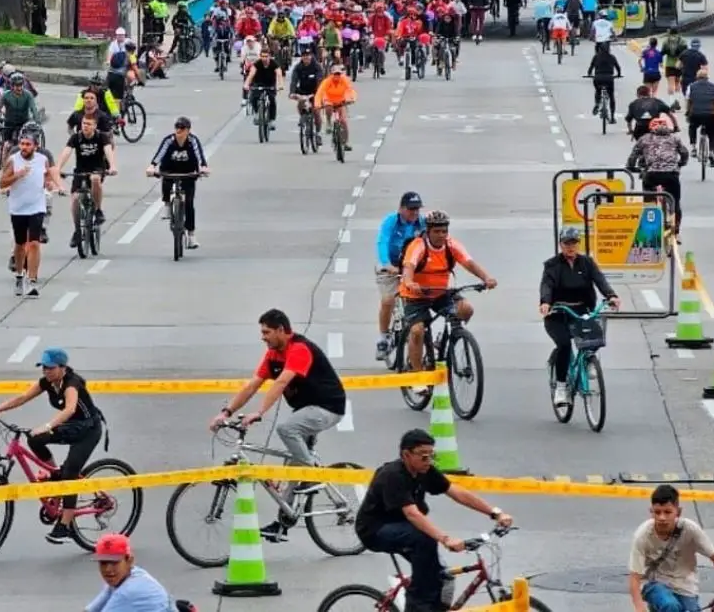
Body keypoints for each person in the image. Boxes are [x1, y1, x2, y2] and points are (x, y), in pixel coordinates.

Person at [209, 308, 348, 542]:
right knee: (292, 464)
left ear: (281, 330)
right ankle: (283, 523)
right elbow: (253, 385)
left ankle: (311, 475)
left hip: (327, 407)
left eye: (266, 332)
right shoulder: (273, 354)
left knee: (287, 429)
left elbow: (282, 381)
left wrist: (259, 413)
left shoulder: (299, 349)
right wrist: (226, 412)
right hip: (305, 409)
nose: (262, 337)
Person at [356, 429, 514, 612]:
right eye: (424, 456)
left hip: (404, 528)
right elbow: (412, 514)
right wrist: (446, 539)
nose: (428, 461)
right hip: (375, 530)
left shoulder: (424, 470)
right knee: (423, 541)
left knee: (441, 575)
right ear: (406, 454)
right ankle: (418, 607)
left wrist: (495, 513)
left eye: (432, 456)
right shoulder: (392, 475)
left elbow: (456, 492)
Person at [0, 347, 106, 543]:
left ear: (62, 367)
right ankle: (55, 471)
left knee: (70, 474)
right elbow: (22, 398)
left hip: (88, 430)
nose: (45, 371)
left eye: (50, 367)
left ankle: (65, 525)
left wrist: (47, 426)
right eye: (43, 367)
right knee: (34, 439)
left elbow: (69, 409)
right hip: (71, 427)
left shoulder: (71, 384)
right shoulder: (46, 383)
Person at [399, 210, 498, 394]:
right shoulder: (418, 245)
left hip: (440, 293)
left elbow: (469, 263)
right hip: (416, 295)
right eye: (437, 231)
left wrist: (486, 278)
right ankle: (417, 375)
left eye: (444, 231)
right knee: (417, 330)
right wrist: (410, 282)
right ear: (428, 231)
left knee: (466, 309)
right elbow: (409, 267)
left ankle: (440, 341)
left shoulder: (451, 245)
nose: (441, 235)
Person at [629, 485, 714, 612]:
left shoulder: (690, 529)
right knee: (670, 606)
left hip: (685, 585)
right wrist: (639, 607)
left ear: (678, 512)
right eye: (657, 512)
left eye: (667, 512)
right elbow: (635, 577)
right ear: (651, 512)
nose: (662, 518)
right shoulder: (642, 535)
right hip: (654, 583)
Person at [539, 226, 620, 407]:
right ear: (560, 244)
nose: (570, 247)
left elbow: (600, 280)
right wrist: (546, 302)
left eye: (574, 243)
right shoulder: (552, 266)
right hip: (558, 314)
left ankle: (589, 361)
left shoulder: (587, 263)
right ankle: (561, 387)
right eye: (567, 243)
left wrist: (611, 296)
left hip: (582, 311)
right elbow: (547, 286)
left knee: (596, 336)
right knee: (565, 345)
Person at [0, 129, 60, 298]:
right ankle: (20, 275)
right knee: (20, 245)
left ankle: (31, 281)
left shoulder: (43, 160)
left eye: (28, 145)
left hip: (36, 207)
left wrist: (49, 184)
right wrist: (16, 176)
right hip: (18, 208)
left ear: (36, 146)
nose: (24, 147)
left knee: (34, 243)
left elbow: (46, 175)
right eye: (22, 144)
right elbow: (2, 183)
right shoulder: (13, 161)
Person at [375, 192, 426, 360]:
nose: (414, 213)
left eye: (417, 209)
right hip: (392, 266)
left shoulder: (422, 223)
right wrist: (387, 265)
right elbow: (382, 242)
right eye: (411, 209)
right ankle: (384, 336)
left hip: (412, 267)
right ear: (401, 209)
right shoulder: (391, 221)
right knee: (388, 299)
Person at [146, 117, 210, 249]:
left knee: (189, 203)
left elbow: (200, 156)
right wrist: (152, 166)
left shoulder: (193, 141)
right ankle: (167, 204)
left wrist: (204, 167)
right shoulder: (169, 140)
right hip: (170, 168)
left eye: (182, 129)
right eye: (177, 128)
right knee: (166, 180)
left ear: (188, 130)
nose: (179, 131)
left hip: (188, 171)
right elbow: (159, 154)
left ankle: (191, 235)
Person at [56, 113, 118, 240]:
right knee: (74, 198)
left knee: (95, 179)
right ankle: (77, 230)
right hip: (80, 170)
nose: (85, 126)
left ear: (95, 126)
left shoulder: (102, 137)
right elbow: (66, 152)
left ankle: (98, 210)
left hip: (97, 169)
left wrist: (112, 166)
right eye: (84, 123)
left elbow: (108, 151)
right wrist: (58, 168)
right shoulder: (76, 137)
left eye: (89, 124)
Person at [627, 115, 689, 235]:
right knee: (675, 201)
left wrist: (631, 167)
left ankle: (649, 224)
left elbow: (633, 156)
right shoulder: (674, 138)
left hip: (652, 175)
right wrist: (680, 164)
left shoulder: (644, 139)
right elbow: (684, 153)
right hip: (671, 175)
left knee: (648, 200)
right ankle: (676, 230)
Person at [86, 534, 178, 611]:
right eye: (103, 563)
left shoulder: (128, 592)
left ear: (129, 561)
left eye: (114, 562)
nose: (108, 569)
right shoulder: (127, 575)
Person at [0, 72, 42, 167]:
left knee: (25, 141)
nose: (19, 88)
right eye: (16, 86)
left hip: (23, 122)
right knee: (6, 144)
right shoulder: (6, 95)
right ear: (12, 86)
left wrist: (38, 123)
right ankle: (4, 164)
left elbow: (33, 109)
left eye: (20, 85)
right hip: (9, 122)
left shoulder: (28, 95)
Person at [683, 67, 714, 167]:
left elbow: (688, 101)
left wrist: (688, 112)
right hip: (709, 115)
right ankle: (712, 152)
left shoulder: (691, 87)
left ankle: (693, 147)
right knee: (712, 134)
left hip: (696, 114)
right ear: (707, 78)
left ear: (697, 77)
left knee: (692, 127)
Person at [314, 64, 357, 151]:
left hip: (340, 100)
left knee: (343, 121)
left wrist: (351, 99)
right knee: (328, 106)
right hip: (329, 99)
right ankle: (329, 122)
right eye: (335, 74)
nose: (337, 76)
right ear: (331, 74)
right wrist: (317, 105)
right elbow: (319, 93)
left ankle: (345, 143)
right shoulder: (327, 81)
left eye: (338, 74)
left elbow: (350, 90)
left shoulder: (344, 80)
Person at [288, 46, 325, 146]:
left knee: (316, 111)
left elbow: (320, 80)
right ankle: (303, 118)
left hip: (315, 91)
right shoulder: (298, 67)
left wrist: (317, 93)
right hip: (303, 90)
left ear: (311, 56)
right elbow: (294, 81)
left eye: (308, 56)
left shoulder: (317, 66)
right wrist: (292, 92)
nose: (306, 58)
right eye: (304, 56)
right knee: (300, 104)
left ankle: (318, 133)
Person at [244, 48, 284, 129]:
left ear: (270, 56)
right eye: (262, 56)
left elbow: (279, 74)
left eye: (266, 56)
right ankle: (256, 113)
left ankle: (272, 120)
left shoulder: (274, 63)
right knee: (254, 97)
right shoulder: (257, 64)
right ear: (260, 56)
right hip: (258, 83)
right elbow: (251, 74)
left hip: (270, 84)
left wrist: (281, 85)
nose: (264, 58)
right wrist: (246, 84)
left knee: (272, 100)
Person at [586, 43, 622, 121]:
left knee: (598, 91)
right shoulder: (612, 57)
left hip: (598, 78)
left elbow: (591, 67)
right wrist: (618, 74)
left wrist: (589, 74)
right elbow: (618, 67)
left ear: (599, 49)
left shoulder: (596, 57)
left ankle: (597, 104)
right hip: (609, 78)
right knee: (611, 96)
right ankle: (612, 117)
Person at [659, 28, 686, 109]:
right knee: (677, 83)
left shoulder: (666, 41)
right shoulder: (682, 41)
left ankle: (671, 103)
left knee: (671, 84)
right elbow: (685, 52)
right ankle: (677, 101)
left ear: (670, 33)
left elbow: (662, 53)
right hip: (680, 64)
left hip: (669, 64)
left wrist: (660, 62)